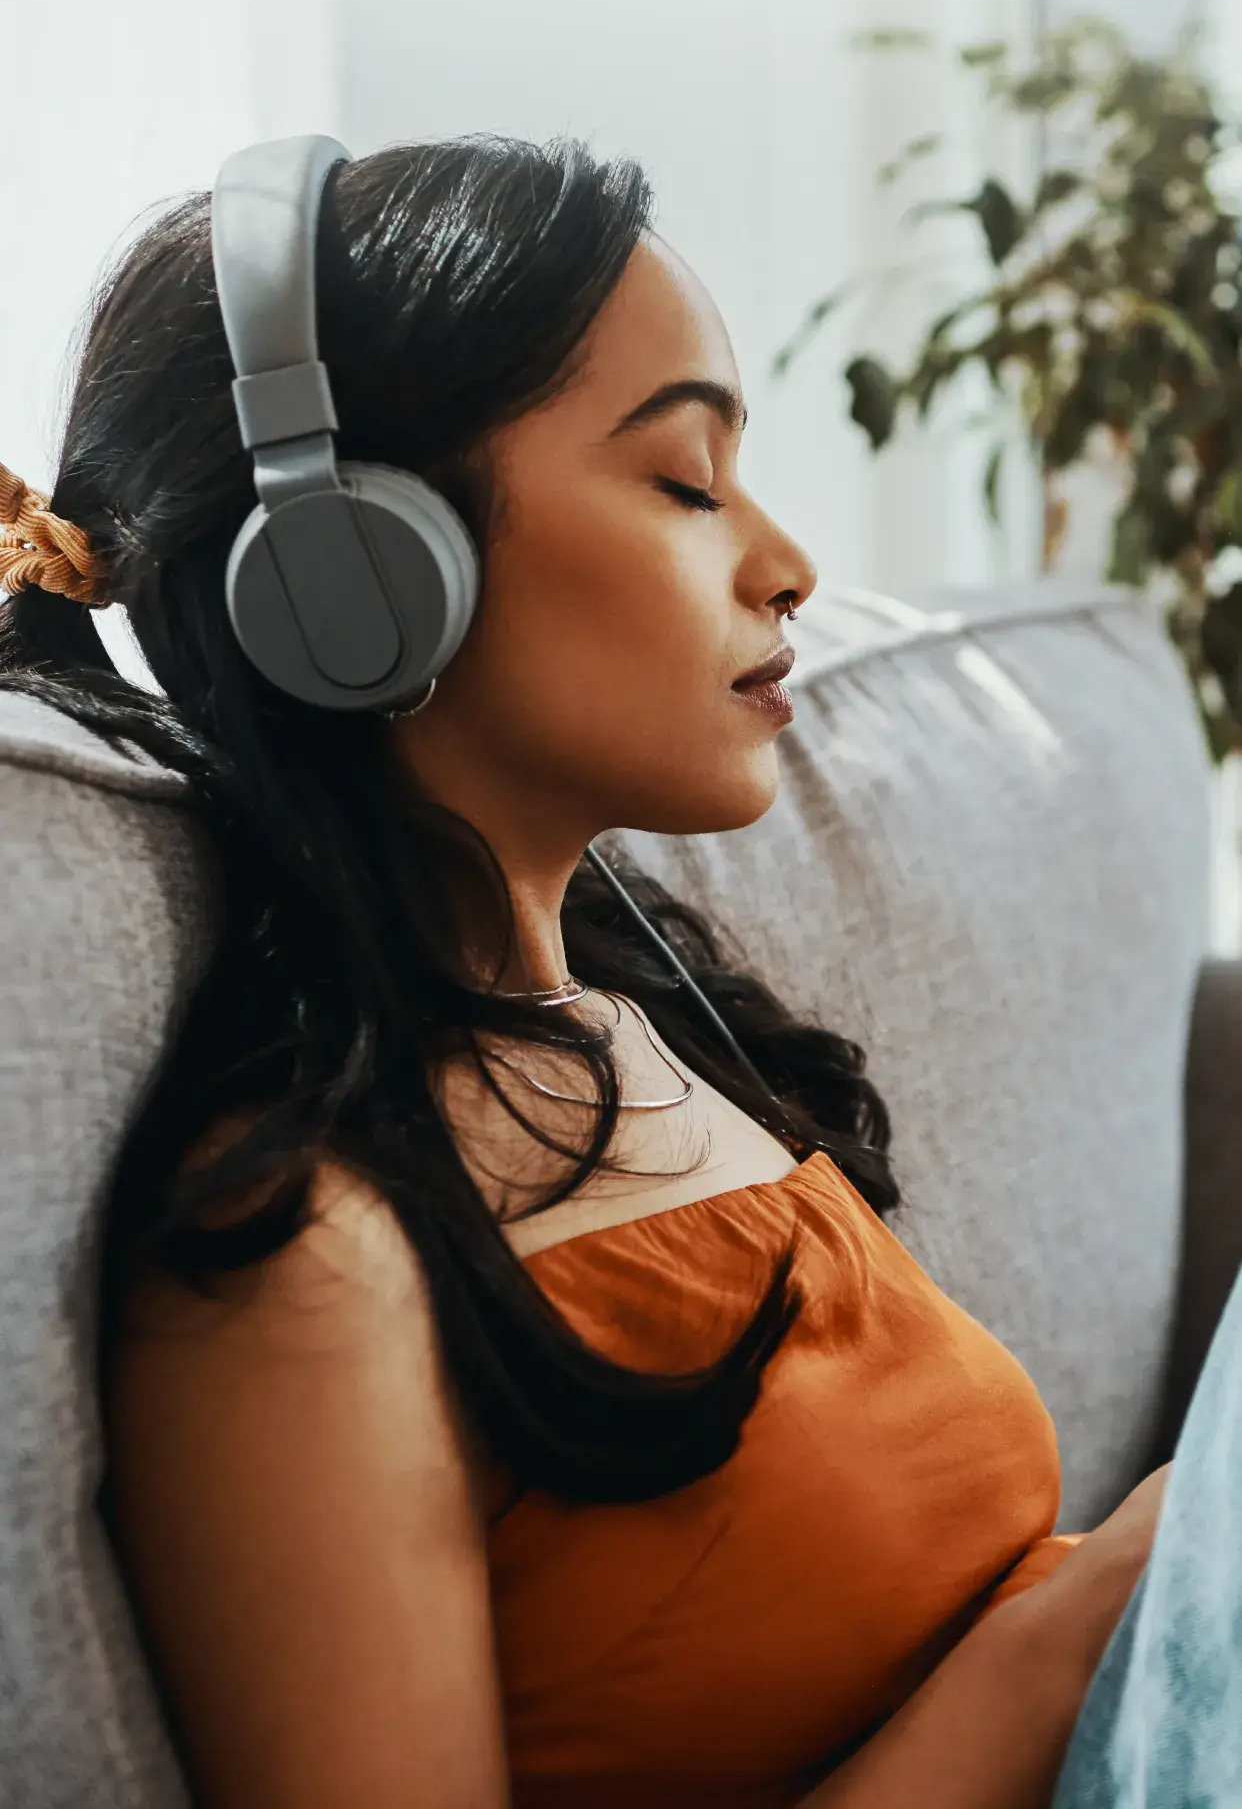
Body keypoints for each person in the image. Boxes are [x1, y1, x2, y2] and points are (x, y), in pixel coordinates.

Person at [0, 131, 1203, 1808]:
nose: (783, 563)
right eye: (684, 481)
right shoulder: (307, 1268)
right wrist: (1082, 1622)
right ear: (354, 579)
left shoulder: (648, 1030)